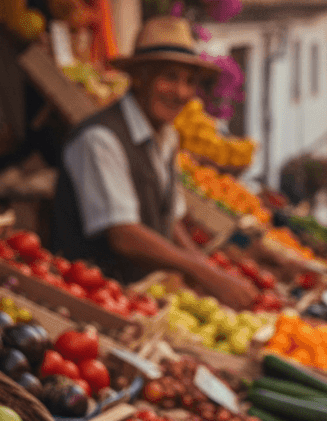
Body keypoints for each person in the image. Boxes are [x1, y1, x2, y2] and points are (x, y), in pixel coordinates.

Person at [52, 16, 258, 311]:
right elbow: (124, 235)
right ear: (140, 77)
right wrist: (204, 272)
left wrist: (205, 271)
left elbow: (169, 218)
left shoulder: (165, 136)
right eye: (170, 77)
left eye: (190, 81)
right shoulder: (100, 139)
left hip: (143, 301)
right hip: (93, 302)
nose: (182, 92)